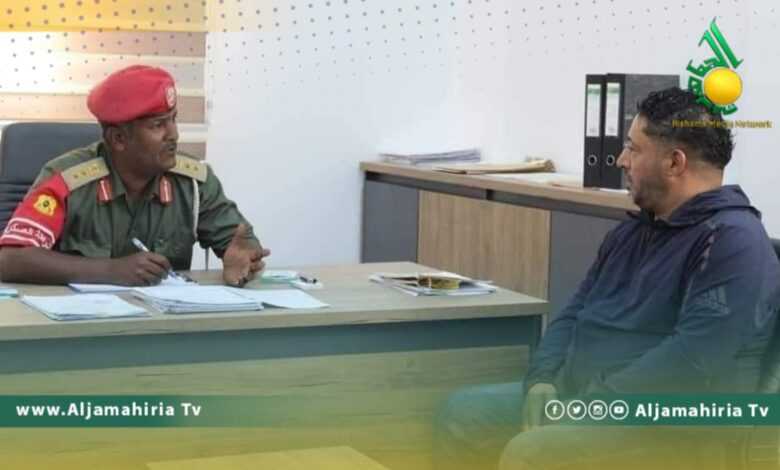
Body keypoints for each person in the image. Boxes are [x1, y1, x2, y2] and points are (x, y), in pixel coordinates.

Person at [434, 87, 780, 470]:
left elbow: (692, 360)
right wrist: (543, 379)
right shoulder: (633, 231)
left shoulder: (733, 241)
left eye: (633, 148)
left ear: (674, 162)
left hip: (669, 420)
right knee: (464, 413)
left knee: (533, 452)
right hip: (588, 395)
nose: (621, 160)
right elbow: (575, 312)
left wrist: (596, 403)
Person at [0, 65, 270, 287]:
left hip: (164, 325)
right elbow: (10, 259)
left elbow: (238, 243)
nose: (174, 134)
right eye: (158, 125)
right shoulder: (68, 179)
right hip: (78, 327)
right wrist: (110, 271)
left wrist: (243, 256)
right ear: (118, 138)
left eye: (173, 119)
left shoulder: (193, 182)